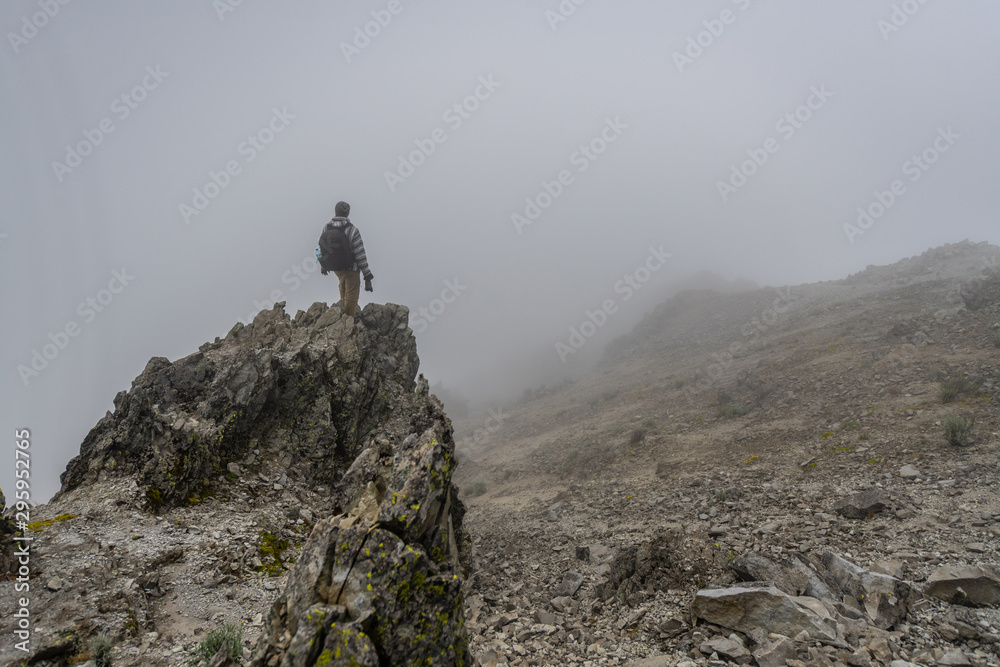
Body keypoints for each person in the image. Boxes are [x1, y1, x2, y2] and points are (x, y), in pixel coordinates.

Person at [317, 201, 374, 318]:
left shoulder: (326, 227)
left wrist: (323, 266)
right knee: (352, 295)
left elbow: (321, 249)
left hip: (335, 267)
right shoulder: (352, 230)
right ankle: (347, 321)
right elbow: (360, 254)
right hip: (351, 269)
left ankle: (341, 314)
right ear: (348, 213)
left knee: (342, 286)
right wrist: (367, 274)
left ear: (335, 212)